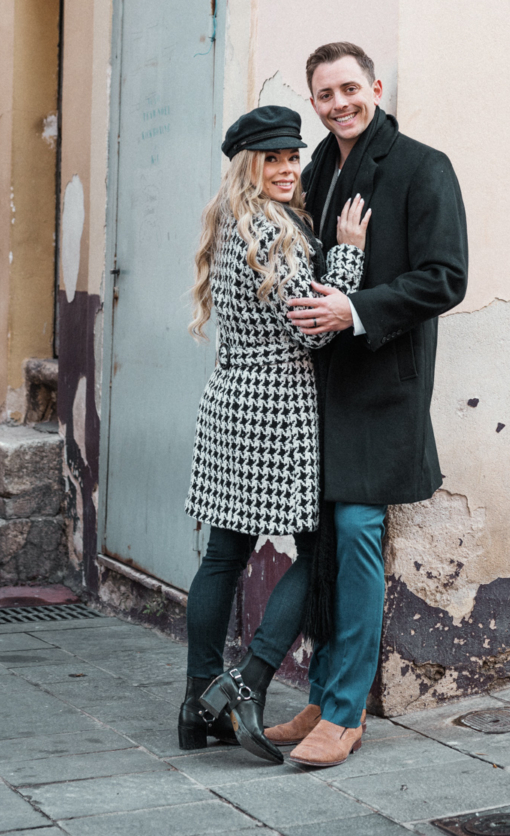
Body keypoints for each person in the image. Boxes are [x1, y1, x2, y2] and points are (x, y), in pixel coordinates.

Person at [268, 42, 468, 769]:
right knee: (317, 545)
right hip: (317, 388)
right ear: (314, 101)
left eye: (349, 89)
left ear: (374, 87)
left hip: (382, 388)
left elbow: (445, 278)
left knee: (353, 535)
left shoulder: (422, 166)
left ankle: (346, 711)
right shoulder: (316, 165)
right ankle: (322, 695)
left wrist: (353, 309)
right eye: (325, 95)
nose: (339, 104)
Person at [179, 104, 371, 764]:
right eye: (273, 159)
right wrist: (347, 256)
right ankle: (247, 681)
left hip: (231, 402)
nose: (288, 168)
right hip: (276, 409)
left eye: (293, 156)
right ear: (248, 166)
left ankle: (196, 701)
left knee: (223, 557)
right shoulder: (270, 231)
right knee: (318, 554)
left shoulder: (233, 220)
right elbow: (313, 323)